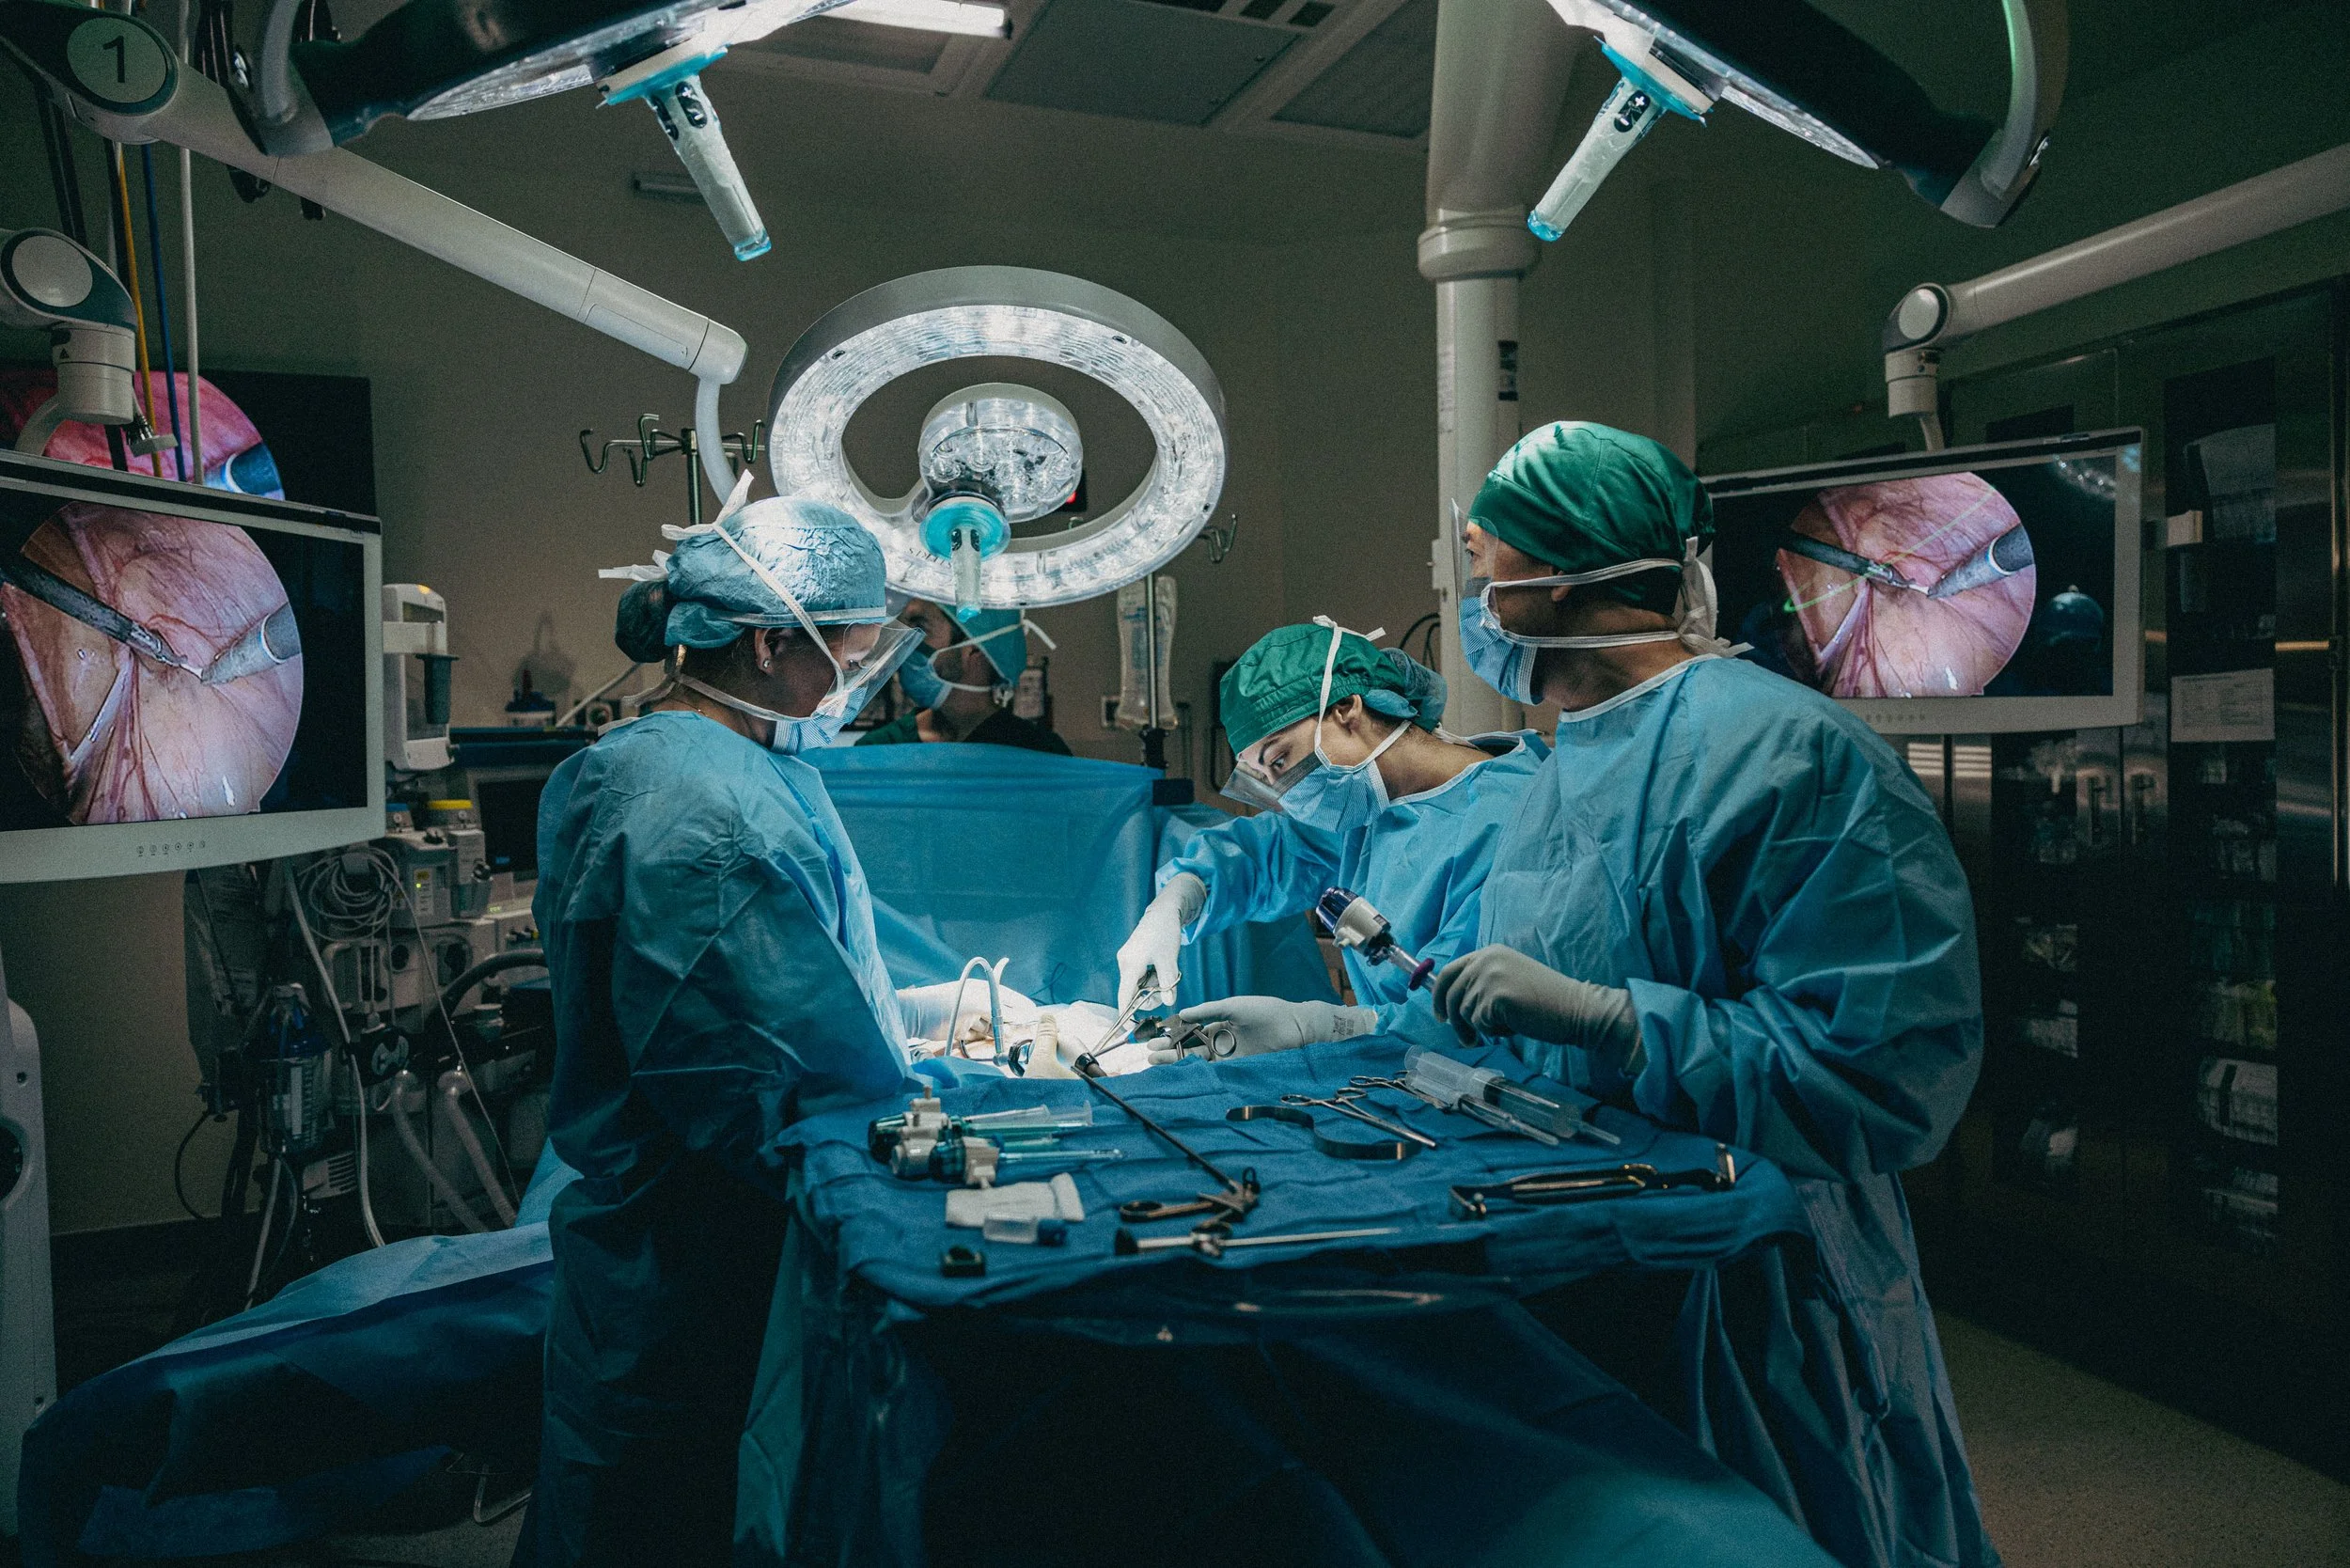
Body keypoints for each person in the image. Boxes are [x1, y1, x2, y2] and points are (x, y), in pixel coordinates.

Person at [1427, 421, 1998, 1568]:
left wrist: (1611, 1019)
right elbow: (1505, 1009)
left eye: (1483, 561)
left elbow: (1883, 1077)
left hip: (1753, 1276)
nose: (1470, 592)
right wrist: (1345, 1026)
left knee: (1774, 1521)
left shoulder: (1796, 756)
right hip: (1591, 1244)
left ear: (1564, 570)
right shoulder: (1564, 760)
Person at [525, 495, 930, 1566]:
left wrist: (903, 1016)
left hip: (650, 1237)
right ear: (765, 643)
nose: (865, 670)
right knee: (675, 1512)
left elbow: (777, 981)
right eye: (853, 645)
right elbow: (763, 1087)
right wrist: (907, 1111)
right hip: (701, 1255)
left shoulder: (650, 763)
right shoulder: (710, 822)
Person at [1114, 619, 1544, 1059]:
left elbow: (1470, 1013)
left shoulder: (1517, 817)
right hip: (1409, 1077)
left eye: (1280, 760)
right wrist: (1177, 902)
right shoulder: (1369, 806)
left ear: (1346, 709)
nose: (1282, 791)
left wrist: (1323, 1027)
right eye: (1262, 777)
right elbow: (1266, 854)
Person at [855, 597, 1070, 754]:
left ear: (975, 649)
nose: (902, 644)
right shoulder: (876, 752)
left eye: (920, 627)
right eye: (904, 628)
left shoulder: (1040, 756)